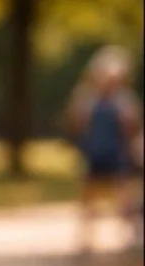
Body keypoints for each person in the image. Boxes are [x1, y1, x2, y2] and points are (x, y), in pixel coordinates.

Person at [65, 45, 143, 255]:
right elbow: (78, 124)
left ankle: (130, 234)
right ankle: (86, 235)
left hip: (117, 152)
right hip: (95, 151)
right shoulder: (88, 98)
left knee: (125, 194)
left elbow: (132, 127)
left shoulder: (124, 100)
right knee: (89, 195)